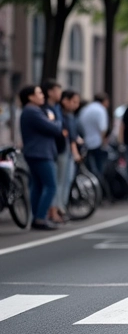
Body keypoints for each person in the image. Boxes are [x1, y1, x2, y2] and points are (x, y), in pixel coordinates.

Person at [19, 85, 63, 230]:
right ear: (30, 97)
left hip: (36, 153)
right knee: (50, 185)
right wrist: (53, 119)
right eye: (38, 93)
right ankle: (40, 218)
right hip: (40, 154)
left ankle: (37, 217)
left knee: (37, 186)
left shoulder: (31, 111)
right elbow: (55, 129)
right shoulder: (32, 111)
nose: (42, 95)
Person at [55, 89, 82, 219]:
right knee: (61, 180)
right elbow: (69, 136)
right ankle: (59, 208)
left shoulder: (70, 116)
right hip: (62, 150)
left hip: (67, 151)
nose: (76, 105)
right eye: (74, 101)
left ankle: (62, 207)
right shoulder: (59, 113)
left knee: (67, 179)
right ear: (65, 100)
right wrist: (75, 151)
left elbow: (72, 135)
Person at [41, 78, 64, 222]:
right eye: (57, 90)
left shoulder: (56, 108)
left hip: (56, 149)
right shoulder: (44, 110)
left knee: (56, 183)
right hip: (49, 151)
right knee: (52, 184)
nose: (59, 93)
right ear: (50, 92)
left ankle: (53, 211)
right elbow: (56, 128)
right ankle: (46, 214)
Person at [78, 93, 110, 177]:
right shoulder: (101, 110)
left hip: (86, 142)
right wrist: (103, 142)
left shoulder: (85, 109)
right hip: (97, 142)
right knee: (99, 168)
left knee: (88, 169)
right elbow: (103, 128)